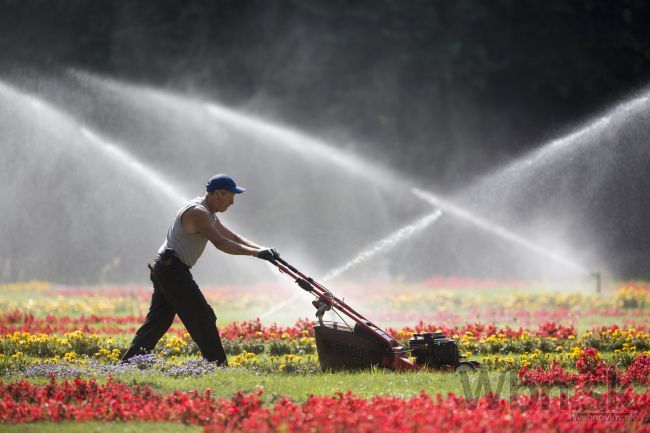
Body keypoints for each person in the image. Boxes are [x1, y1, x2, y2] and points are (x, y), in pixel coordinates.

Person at [122, 174, 279, 365]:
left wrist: (261, 249)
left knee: (159, 321)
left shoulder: (208, 212)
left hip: (167, 267)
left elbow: (233, 237)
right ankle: (217, 364)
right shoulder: (199, 212)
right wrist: (255, 254)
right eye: (229, 196)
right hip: (171, 268)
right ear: (217, 193)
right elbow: (221, 243)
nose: (232, 203)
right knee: (202, 315)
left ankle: (129, 363)